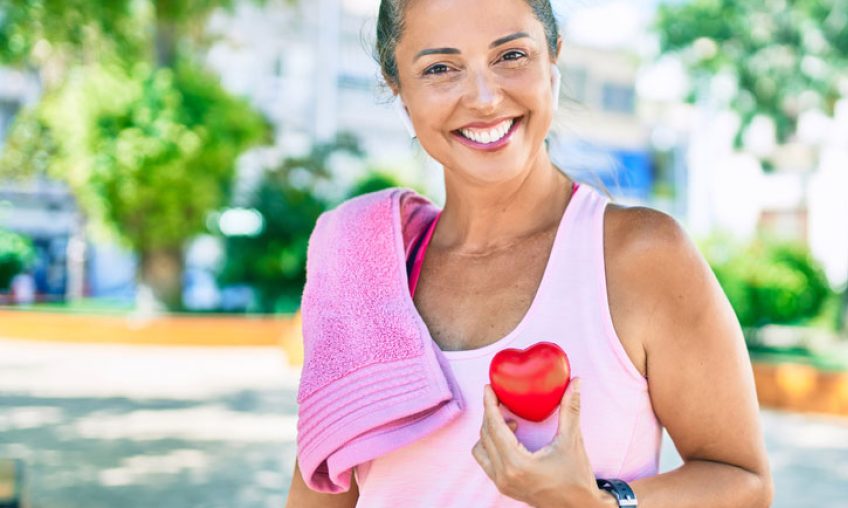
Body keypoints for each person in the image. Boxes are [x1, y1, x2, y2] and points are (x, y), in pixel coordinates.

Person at [286, 0, 771, 506]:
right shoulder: (362, 269)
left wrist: (599, 504)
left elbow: (745, 483)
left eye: (511, 56)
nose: (484, 97)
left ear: (553, 60)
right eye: (439, 68)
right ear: (399, 92)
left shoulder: (641, 256)